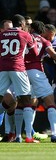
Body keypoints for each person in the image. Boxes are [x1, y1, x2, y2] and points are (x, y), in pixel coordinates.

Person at [0, 14, 37, 143]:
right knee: (26, 100)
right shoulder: (25, 34)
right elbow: (35, 52)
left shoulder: (2, 34)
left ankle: (14, 134)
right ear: (22, 24)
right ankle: (28, 136)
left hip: (3, 69)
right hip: (18, 68)